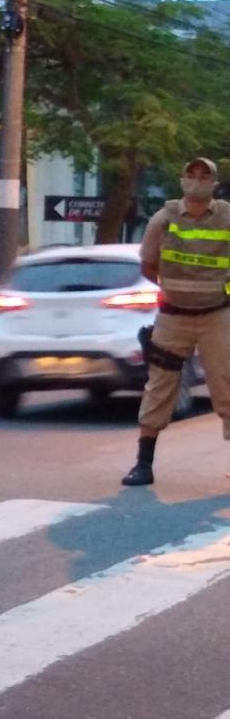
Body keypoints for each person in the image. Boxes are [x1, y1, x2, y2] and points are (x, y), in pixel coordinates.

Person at [122, 157, 230, 486]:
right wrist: (175, 292)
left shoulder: (227, 217)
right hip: (173, 316)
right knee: (159, 387)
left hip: (217, 315)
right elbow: (147, 266)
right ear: (182, 179)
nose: (197, 179)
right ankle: (143, 465)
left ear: (213, 183)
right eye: (191, 174)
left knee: (226, 386)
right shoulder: (164, 218)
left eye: (204, 175)